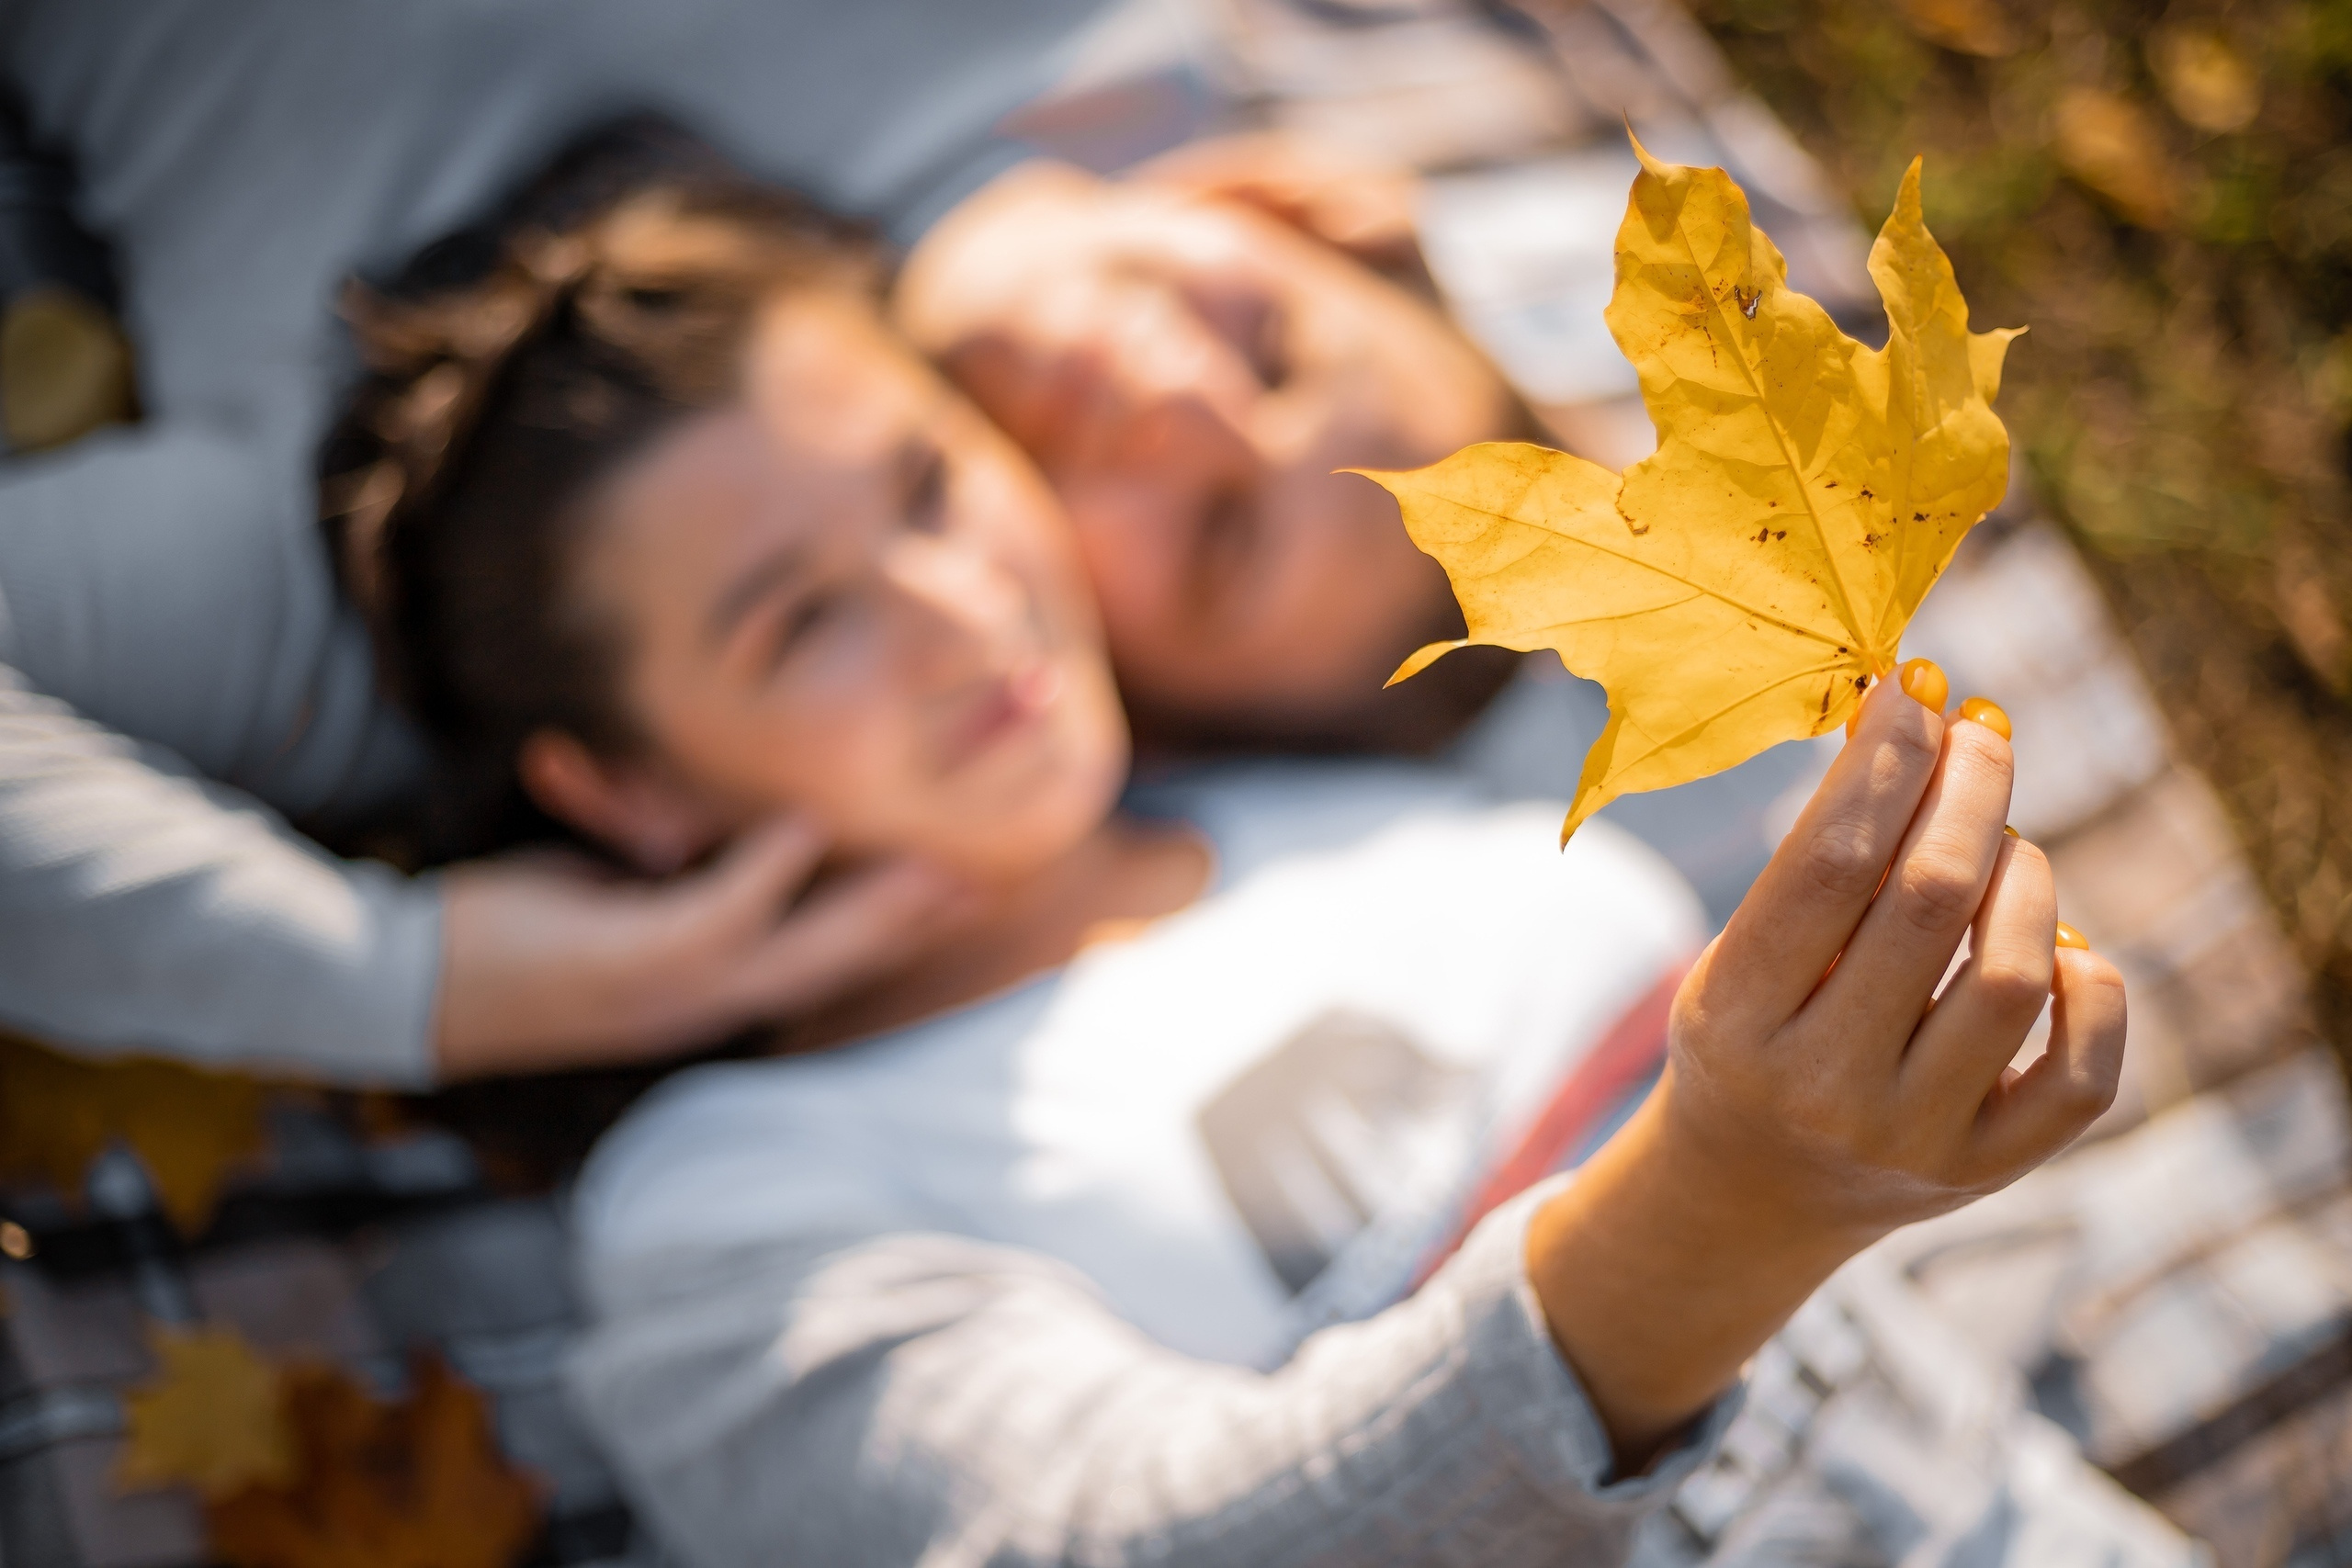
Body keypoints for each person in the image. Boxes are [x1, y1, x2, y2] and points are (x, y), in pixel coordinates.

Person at [321, 133, 2126, 1566]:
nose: (955, 609)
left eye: (931, 483)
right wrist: (1722, 1206)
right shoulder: (733, 1206)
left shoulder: (1331, 794)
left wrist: (1306, 288)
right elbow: (1105, 1539)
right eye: (798, 623)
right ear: (625, 789)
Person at [0, 1, 1533, 1089]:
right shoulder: (1085, 35)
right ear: (1276, 205)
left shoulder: (399, 571)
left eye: (1212, 540)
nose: (1186, 403)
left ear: (1131, 703)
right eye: (1274, 348)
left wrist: (418, 986)